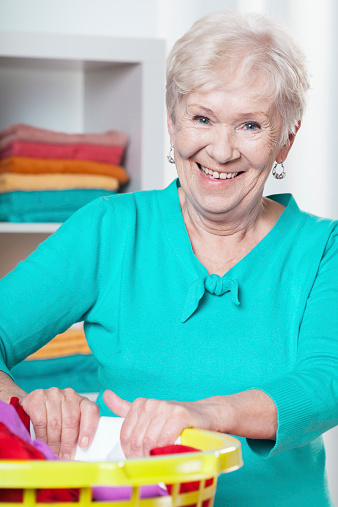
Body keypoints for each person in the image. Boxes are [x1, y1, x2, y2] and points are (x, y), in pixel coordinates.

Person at [0, 9, 337, 506]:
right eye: (202, 118)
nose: (220, 151)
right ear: (173, 121)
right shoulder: (111, 227)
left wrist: (204, 416)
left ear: (286, 138)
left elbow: (325, 381)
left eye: (249, 125)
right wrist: (28, 406)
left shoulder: (323, 247)